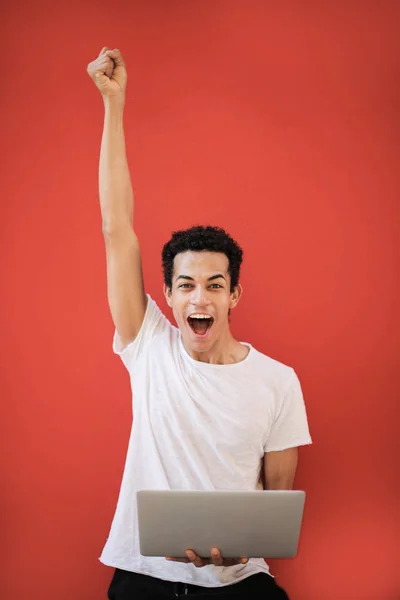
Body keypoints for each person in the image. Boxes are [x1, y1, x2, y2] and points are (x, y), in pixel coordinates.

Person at [87, 47, 312, 600]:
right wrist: (114, 105)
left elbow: (275, 510)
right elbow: (117, 227)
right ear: (167, 294)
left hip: (238, 583)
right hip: (144, 579)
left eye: (215, 284)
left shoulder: (278, 381)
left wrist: (247, 547)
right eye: (185, 285)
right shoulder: (149, 346)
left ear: (235, 294)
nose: (199, 297)